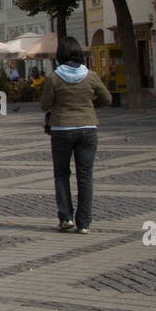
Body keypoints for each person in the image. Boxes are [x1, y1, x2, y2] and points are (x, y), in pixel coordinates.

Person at [41, 37, 111, 234]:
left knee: (62, 174)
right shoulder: (91, 75)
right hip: (88, 129)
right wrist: (89, 106)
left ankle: (66, 218)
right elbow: (107, 98)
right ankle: (84, 223)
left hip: (62, 129)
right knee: (85, 176)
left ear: (60, 54)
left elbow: (44, 105)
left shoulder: (54, 77)